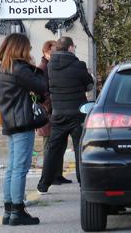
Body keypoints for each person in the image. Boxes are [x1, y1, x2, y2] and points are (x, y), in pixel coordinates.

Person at [0, 33, 46, 225]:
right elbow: (41, 85)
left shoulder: (3, 67)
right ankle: (18, 211)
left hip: (10, 121)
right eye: (28, 48)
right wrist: (33, 65)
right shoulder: (20, 68)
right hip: (22, 122)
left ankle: (9, 211)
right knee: (20, 168)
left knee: (11, 167)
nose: (30, 51)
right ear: (21, 49)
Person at [37, 37, 93, 194]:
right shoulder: (79, 65)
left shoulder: (50, 67)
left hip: (58, 114)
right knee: (79, 149)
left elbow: (45, 87)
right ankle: (84, 184)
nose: (74, 49)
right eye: (74, 46)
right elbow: (89, 86)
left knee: (52, 150)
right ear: (69, 48)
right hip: (77, 114)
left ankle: (43, 185)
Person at [36, 40, 71, 185]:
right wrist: (50, 104)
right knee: (49, 147)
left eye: (54, 52)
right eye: (50, 52)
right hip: (48, 112)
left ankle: (58, 174)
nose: (52, 55)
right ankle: (49, 177)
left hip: (54, 111)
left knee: (59, 145)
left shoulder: (52, 66)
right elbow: (42, 91)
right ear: (45, 53)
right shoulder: (43, 68)